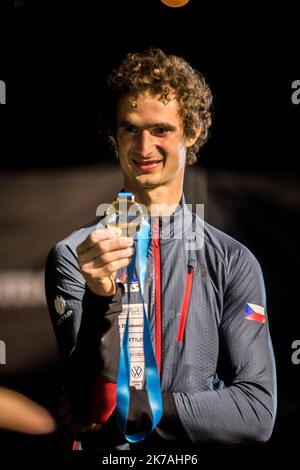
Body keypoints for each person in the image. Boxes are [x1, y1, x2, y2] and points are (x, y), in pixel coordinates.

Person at [45, 48, 277, 450]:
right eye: (130, 129)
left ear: (192, 132)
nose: (144, 146)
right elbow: (88, 411)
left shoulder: (234, 261)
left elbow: (256, 412)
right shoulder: (75, 255)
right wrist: (102, 300)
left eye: (161, 130)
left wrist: (144, 405)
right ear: (114, 135)